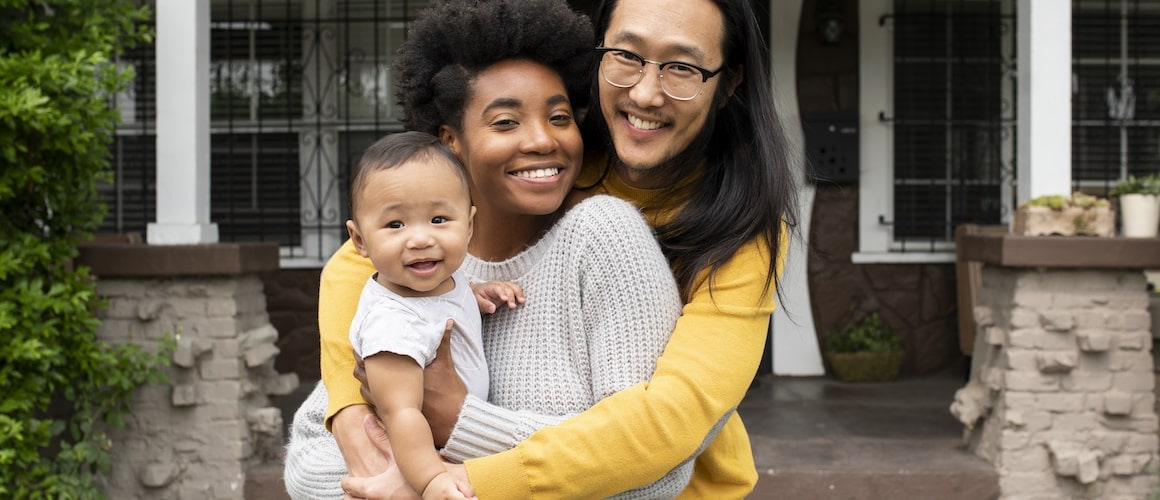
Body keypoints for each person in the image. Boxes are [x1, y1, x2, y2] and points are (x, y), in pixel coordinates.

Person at [282, 0, 690, 498]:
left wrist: (457, 434)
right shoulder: (418, 271)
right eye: (505, 122)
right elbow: (311, 461)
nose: (543, 139)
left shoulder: (603, 239)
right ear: (451, 141)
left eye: (560, 117)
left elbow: (656, 472)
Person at [410, 0, 798, 497]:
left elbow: (673, 419)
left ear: (729, 82)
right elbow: (373, 254)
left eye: (682, 67)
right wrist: (350, 412)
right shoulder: (553, 161)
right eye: (626, 55)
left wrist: (462, 467)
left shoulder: (741, 225)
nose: (645, 93)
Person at [343, 131, 525, 499]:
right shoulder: (391, 325)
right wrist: (431, 481)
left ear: (469, 225)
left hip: (453, 442)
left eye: (439, 219)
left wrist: (473, 296)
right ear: (360, 240)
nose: (421, 238)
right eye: (396, 225)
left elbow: (439, 308)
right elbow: (402, 413)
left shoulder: (441, 281)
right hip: (414, 458)